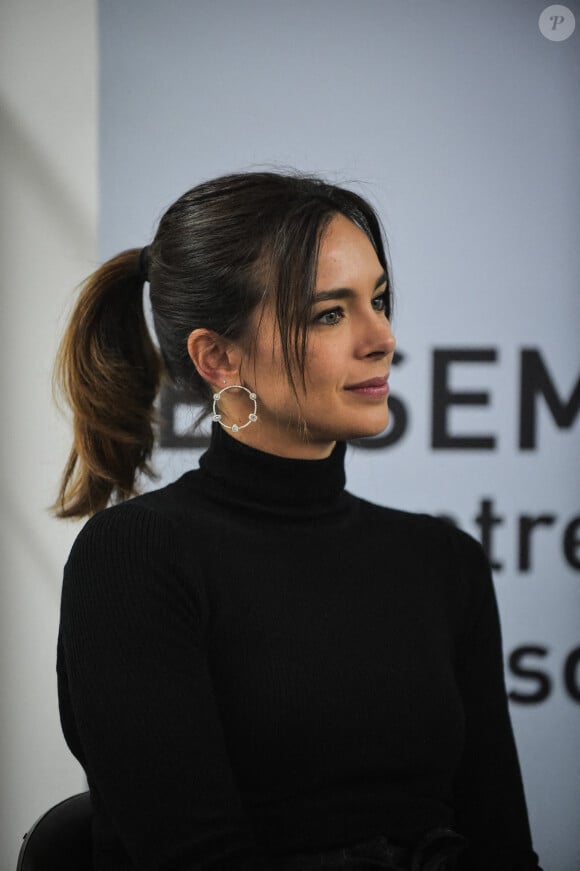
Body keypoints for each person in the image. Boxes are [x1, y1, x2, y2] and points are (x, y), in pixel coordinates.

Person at [54, 171, 542, 871]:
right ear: (218, 358)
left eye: (377, 300)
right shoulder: (136, 557)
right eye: (329, 313)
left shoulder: (445, 561)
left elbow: (502, 846)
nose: (382, 338)